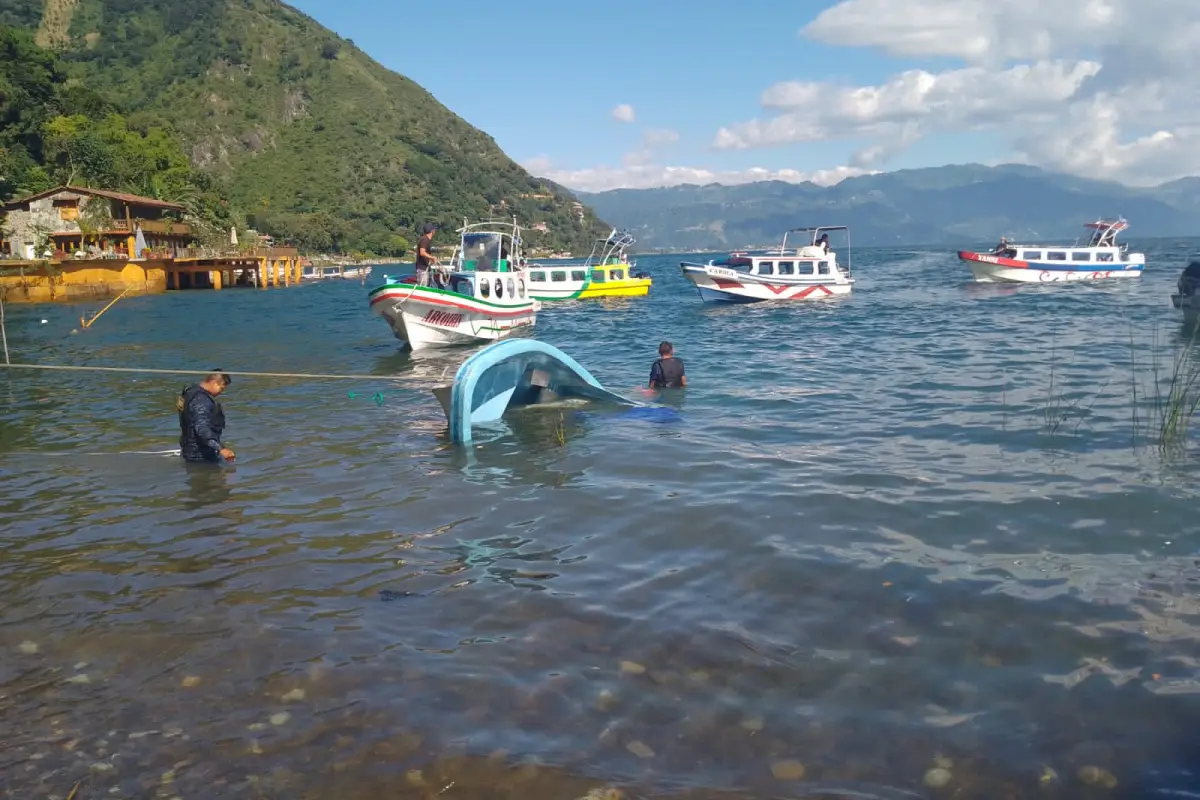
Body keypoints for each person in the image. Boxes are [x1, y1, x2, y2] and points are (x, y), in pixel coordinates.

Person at [178, 371, 236, 463]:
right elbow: (201, 428)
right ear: (214, 383)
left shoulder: (191, 393)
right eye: (221, 388)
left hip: (190, 449)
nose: (221, 392)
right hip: (200, 456)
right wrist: (221, 449)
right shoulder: (201, 400)